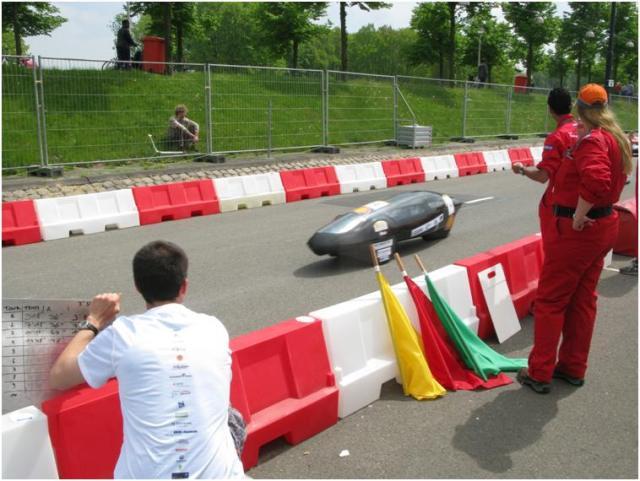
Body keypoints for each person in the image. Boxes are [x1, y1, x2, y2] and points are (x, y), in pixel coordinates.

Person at [49, 240, 245, 479]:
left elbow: (59, 376)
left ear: (138, 287)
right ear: (184, 286)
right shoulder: (214, 328)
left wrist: (94, 321)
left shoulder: (122, 334)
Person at [517, 83, 632, 393]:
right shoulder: (614, 138)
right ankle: (572, 366)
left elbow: (596, 182)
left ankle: (539, 371)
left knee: (551, 300)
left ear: (581, 109)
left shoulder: (593, 141)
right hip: (602, 229)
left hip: (577, 231)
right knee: (582, 299)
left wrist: (580, 214)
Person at [512, 88, 578, 245]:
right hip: (586, 205)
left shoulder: (556, 138)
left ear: (550, 109)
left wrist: (521, 169)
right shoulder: (585, 130)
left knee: (555, 258)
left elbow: (542, 176)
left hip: (560, 207)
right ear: (571, 105)